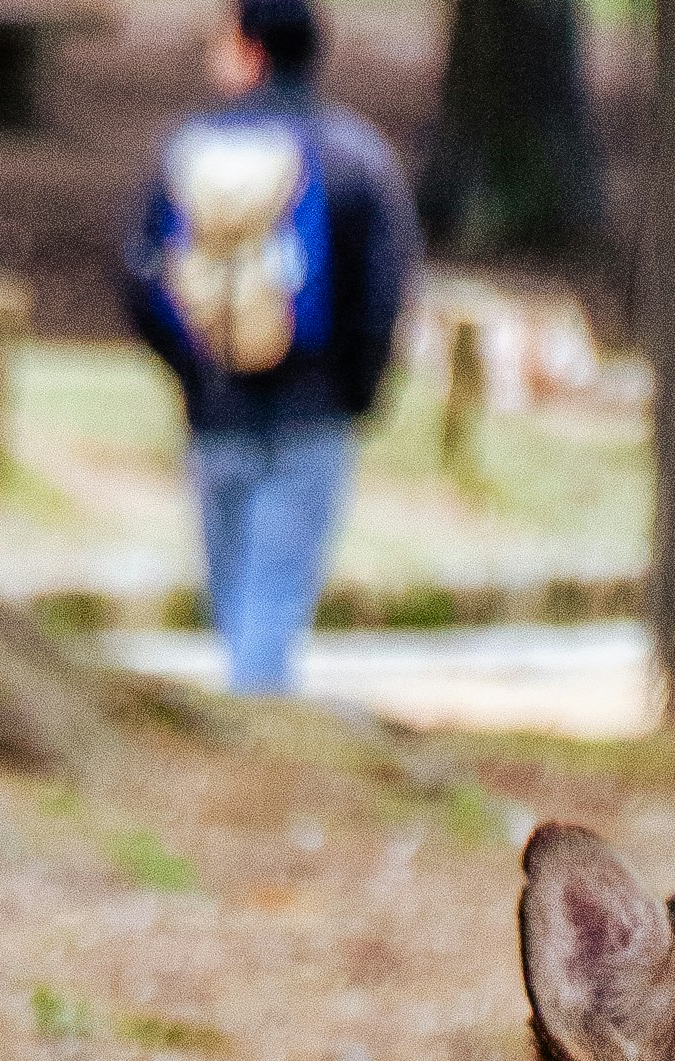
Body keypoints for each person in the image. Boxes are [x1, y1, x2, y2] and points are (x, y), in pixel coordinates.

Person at [124, 0, 417, 698]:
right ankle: (255, 743)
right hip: (313, 415)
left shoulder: (187, 150)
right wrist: (353, 394)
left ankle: (244, 732)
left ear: (250, 49)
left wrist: (192, 372)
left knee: (235, 603)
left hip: (215, 411)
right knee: (273, 604)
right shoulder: (356, 155)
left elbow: (140, 276)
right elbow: (382, 291)